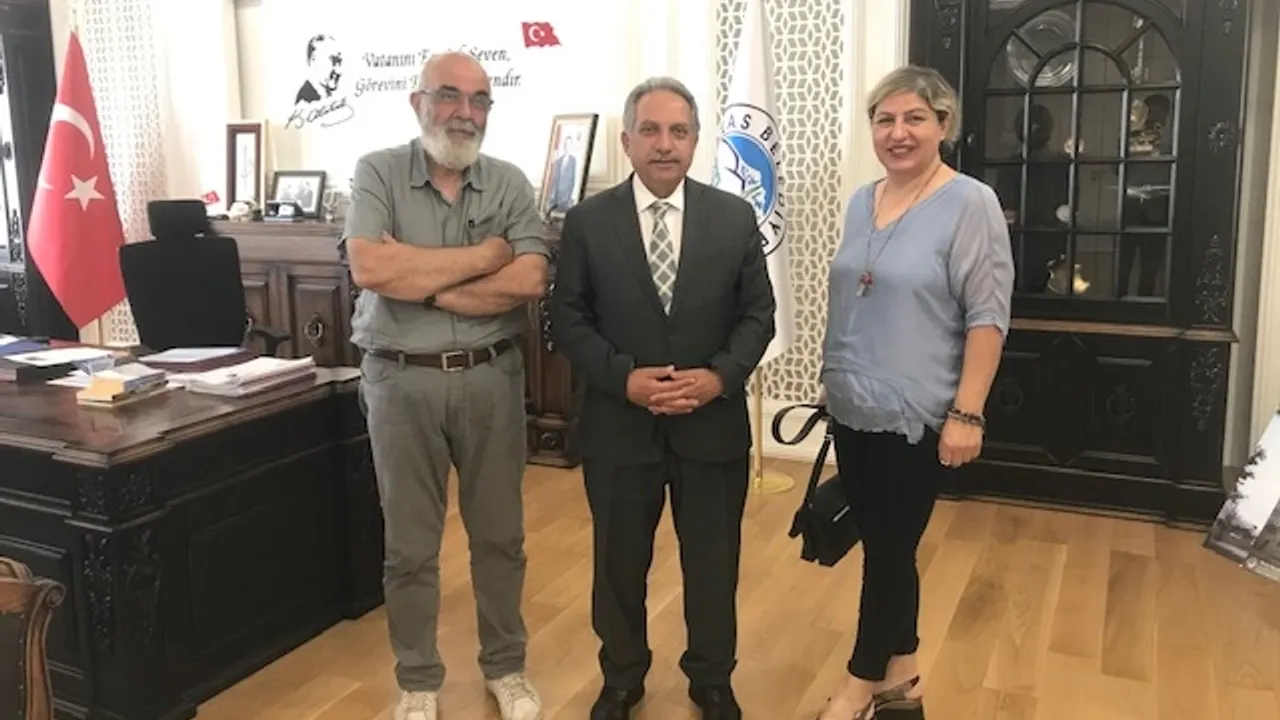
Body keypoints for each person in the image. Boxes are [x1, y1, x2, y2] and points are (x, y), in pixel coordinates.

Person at [549, 76, 776, 720]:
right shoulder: (588, 223)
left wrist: (719, 377)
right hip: (620, 427)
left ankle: (712, 678)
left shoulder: (733, 217)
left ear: (696, 140)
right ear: (626, 141)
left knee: (713, 564)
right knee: (619, 565)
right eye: (649, 130)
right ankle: (622, 676)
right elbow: (568, 319)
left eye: (679, 131)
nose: (664, 144)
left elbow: (758, 315)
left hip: (712, 425)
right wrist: (623, 378)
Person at [342, 52, 549, 720]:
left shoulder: (509, 182)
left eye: (480, 100)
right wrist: (485, 257)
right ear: (418, 102)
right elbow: (371, 267)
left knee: (501, 537)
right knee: (409, 546)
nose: (466, 113)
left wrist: (424, 282)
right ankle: (418, 680)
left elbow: (529, 278)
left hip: (492, 377)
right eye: (450, 96)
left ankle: (506, 668)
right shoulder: (378, 171)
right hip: (401, 383)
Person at [816, 65, 1014, 720]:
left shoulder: (970, 203)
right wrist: (831, 377)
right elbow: (853, 297)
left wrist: (968, 412)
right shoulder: (861, 201)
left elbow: (987, 316)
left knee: (889, 551)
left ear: (943, 126)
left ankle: (858, 685)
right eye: (885, 120)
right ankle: (903, 680)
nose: (897, 133)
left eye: (914, 119)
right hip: (852, 404)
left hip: (918, 412)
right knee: (883, 546)